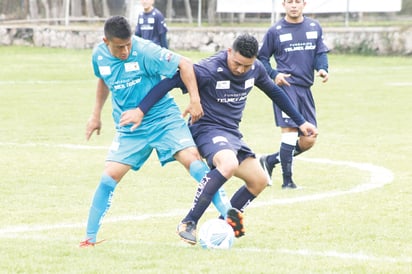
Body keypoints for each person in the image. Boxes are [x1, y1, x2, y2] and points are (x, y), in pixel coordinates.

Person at [121, 34, 318, 245]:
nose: (241, 70)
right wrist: (141, 110)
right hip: (206, 129)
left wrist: (301, 122)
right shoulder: (208, 69)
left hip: (231, 133)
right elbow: (167, 84)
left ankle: (223, 224)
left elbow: (275, 93)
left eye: (246, 66)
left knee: (259, 180)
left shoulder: (256, 68)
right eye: (237, 63)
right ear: (229, 52)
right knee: (228, 164)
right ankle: (189, 222)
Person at [79, 15, 231, 247]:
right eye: (120, 47)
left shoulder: (145, 50)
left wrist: (194, 100)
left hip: (163, 118)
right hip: (131, 127)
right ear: (105, 41)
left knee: (192, 160)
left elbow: (185, 64)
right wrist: (95, 115)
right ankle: (88, 240)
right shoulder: (98, 55)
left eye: (129, 44)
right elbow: (103, 80)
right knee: (108, 177)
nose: (126, 51)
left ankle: (230, 216)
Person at [257, 0, 329, 189]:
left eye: (298, 1)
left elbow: (320, 52)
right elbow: (262, 58)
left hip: (305, 88)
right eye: (290, 1)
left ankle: (270, 160)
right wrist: (274, 74)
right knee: (289, 132)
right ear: (283, 4)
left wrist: (322, 68)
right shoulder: (275, 30)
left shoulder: (314, 26)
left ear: (304, 4)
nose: (294, 5)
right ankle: (287, 181)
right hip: (286, 88)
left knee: (309, 137)